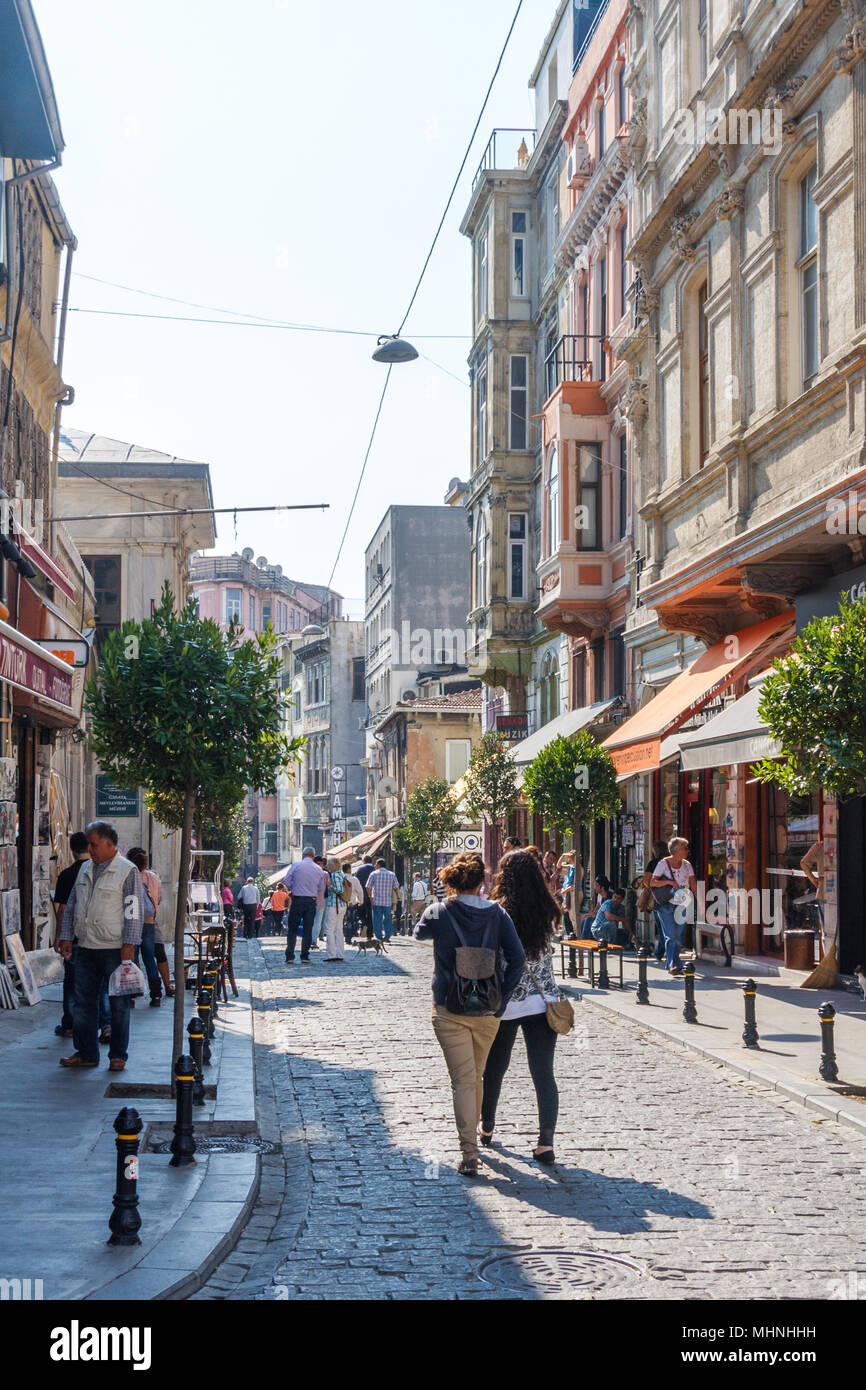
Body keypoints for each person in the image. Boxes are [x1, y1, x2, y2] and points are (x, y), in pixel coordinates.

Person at [415, 852, 524, 1176]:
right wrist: (503, 997)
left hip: (449, 1007)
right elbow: (517, 958)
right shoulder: (498, 914)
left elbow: (419, 933)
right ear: (481, 882)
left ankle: (469, 1153)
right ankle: (472, 1140)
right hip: (489, 1008)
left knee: (463, 1080)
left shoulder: (439, 911)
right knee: (475, 1076)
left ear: (451, 881)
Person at [481, 850, 563, 1164]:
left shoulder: (498, 911)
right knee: (543, 1073)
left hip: (507, 1002)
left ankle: (486, 1127)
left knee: (495, 1070)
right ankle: (546, 1143)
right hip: (544, 1002)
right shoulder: (549, 909)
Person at [58, 821, 146, 1073]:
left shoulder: (127, 871)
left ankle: (118, 1055)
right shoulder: (85, 868)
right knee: (83, 1003)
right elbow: (72, 905)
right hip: (86, 946)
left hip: (115, 948)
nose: (90, 848)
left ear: (109, 844)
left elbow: (133, 912)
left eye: (94, 844)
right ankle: (86, 1052)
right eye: (89, 844)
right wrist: (66, 935)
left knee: (118, 1006)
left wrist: (129, 945)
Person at [53, 832, 111, 1042]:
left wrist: (59, 936)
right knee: (103, 984)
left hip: (76, 938)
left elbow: (64, 909)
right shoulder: (99, 871)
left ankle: (70, 1024)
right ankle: (106, 1025)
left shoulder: (68, 874)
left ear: (72, 849)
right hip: (100, 938)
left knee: (72, 982)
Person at [127, 848, 171, 1006]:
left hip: (132, 923)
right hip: (150, 923)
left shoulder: (129, 876)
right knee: (150, 959)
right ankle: (156, 994)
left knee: (132, 959)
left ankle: (132, 994)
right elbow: (158, 899)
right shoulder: (154, 877)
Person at [651, 836, 697, 975]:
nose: (688, 851)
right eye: (685, 848)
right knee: (671, 936)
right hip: (666, 905)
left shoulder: (687, 865)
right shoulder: (663, 864)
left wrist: (700, 902)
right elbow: (652, 882)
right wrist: (669, 883)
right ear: (676, 851)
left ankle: (674, 963)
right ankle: (673, 964)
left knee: (680, 937)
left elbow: (693, 884)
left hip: (683, 904)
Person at [283, 848, 327, 963]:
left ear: (303, 855)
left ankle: (290, 956)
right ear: (313, 856)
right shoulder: (318, 869)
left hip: (297, 899)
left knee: (292, 928)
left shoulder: (296, 866)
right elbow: (321, 887)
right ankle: (304, 955)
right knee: (308, 929)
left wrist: (294, 887)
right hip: (310, 901)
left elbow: (286, 881)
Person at [642, 839, 670, 961]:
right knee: (671, 926)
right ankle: (669, 951)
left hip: (659, 898)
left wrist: (654, 890)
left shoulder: (654, 863)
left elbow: (646, 881)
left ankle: (661, 952)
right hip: (673, 896)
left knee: (661, 925)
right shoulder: (671, 862)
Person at [366, 858, 400, 942]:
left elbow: (368, 887)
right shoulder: (392, 874)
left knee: (377, 919)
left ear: (378, 865)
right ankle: (387, 936)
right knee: (388, 919)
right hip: (387, 901)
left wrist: (370, 897)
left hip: (376, 901)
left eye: (375, 865)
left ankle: (379, 937)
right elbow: (396, 887)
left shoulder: (373, 874)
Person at [800, 839, 826, 944]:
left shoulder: (820, 846)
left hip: (823, 890)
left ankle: (829, 958)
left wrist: (813, 879)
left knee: (826, 931)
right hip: (836, 890)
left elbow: (803, 863)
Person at [322, 858, 347, 960]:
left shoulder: (335, 875)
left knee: (329, 929)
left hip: (334, 905)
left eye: (328, 865)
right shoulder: (342, 874)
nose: (327, 866)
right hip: (342, 905)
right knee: (339, 930)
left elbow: (339, 890)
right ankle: (340, 954)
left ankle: (331, 954)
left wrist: (330, 886)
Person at [580, 874, 611, 939]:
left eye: (596, 886)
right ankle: (583, 940)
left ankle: (585, 940)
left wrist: (588, 915)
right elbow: (596, 909)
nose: (594, 888)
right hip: (600, 918)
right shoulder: (600, 895)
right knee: (585, 920)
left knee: (588, 919)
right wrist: (589, 914)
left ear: (602, 887)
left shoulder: (609, 897)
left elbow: (598, 913)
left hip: (606, 920)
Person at [354, 855, 375, 939]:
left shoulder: (360, 869)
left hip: (362, 895)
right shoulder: (374, 869)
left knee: (359, 913)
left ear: (363, 861)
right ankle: (369, 933)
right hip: (372, 896)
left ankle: (364, 924)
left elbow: (356, 882)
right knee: (370, 914)